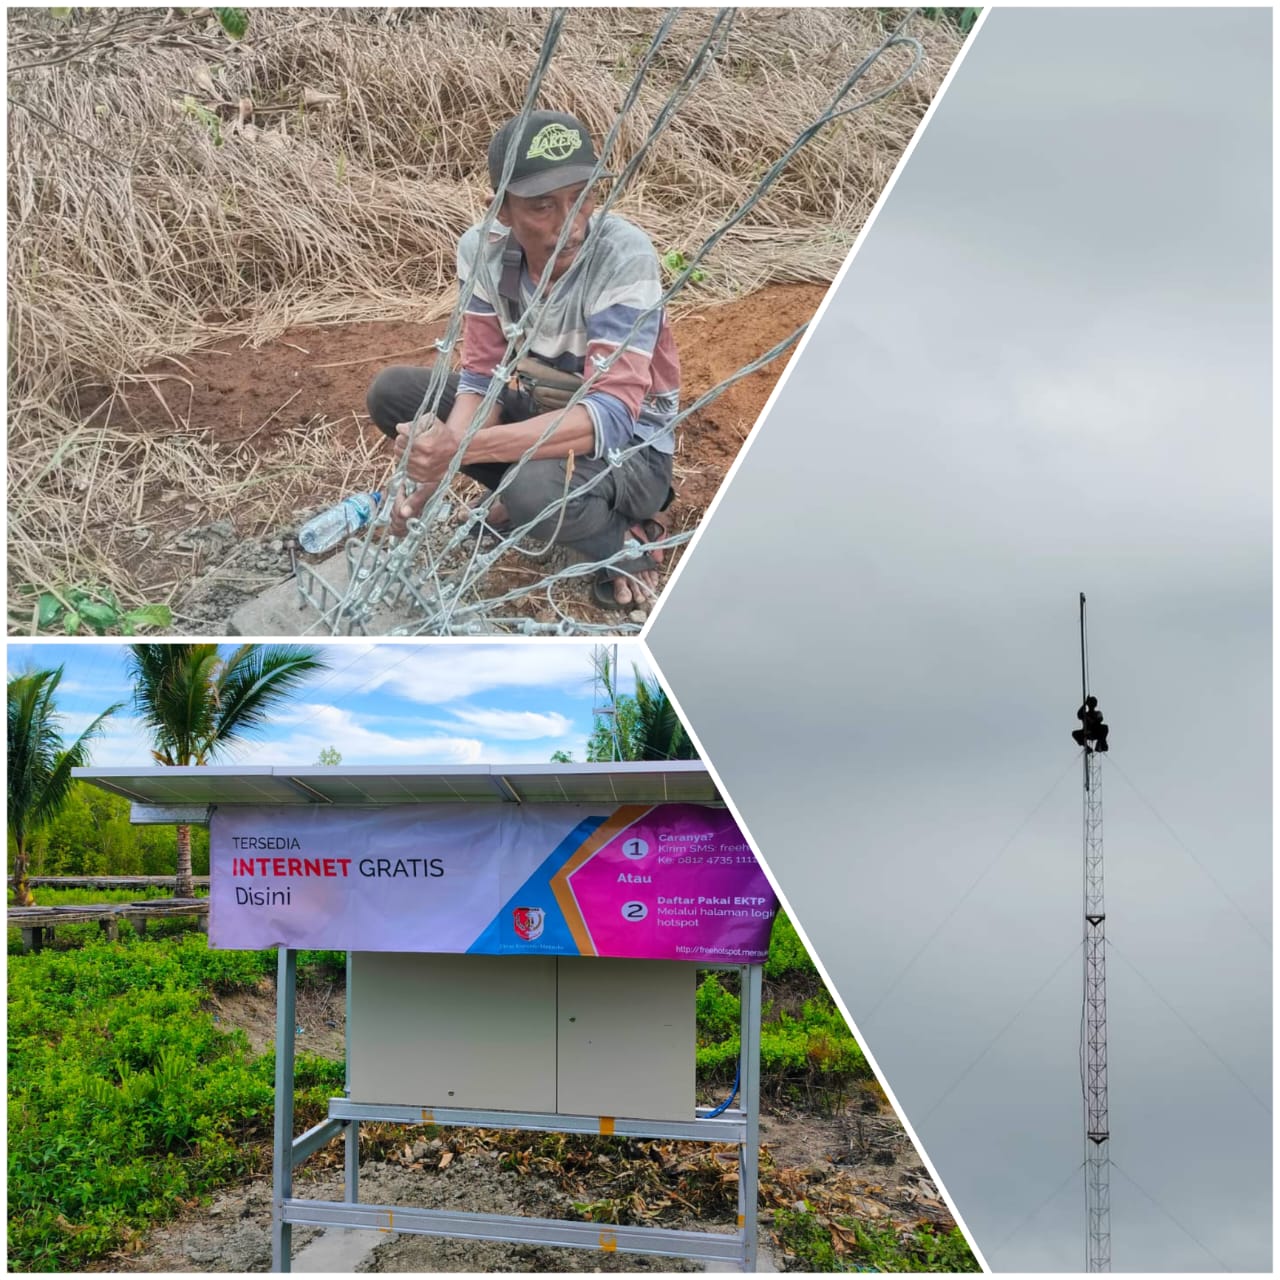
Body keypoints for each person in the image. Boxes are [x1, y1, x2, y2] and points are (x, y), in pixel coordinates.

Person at [366, 110, 680, 609]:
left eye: (582, 198)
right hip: (543, 409)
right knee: (395, 394)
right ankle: (529, 494)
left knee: (531, 489)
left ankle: (621, 542)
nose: (570, 226)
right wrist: (435, 474)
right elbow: (483, 375)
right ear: (502, 211)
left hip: (633, 450)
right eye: (542, 207)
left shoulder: (622, 255)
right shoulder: (481, 250)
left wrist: (460, 451)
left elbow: (614, 414)